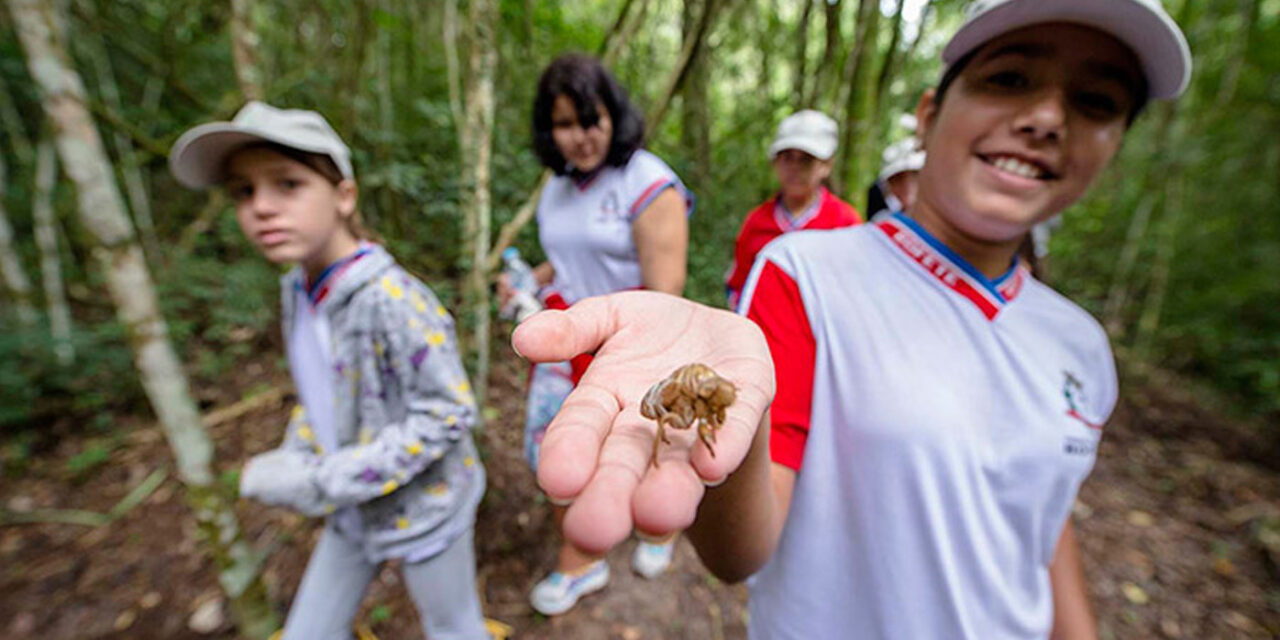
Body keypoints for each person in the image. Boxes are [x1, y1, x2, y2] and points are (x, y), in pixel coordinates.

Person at [509, 0, 1191, 637]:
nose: (1047, 117)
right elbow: (740, 547)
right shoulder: (805, 271)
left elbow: (1043, 512)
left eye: (1096, 101)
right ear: (928, 115)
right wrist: (733, 429)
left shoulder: (1085, 346)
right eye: (1010, 79)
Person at [169, 102, 491, 640]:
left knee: (453, 628)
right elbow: (325, 391)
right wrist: (299, 450)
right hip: (352, 510)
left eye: (287, 184)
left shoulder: (392, 299)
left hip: (426, 509)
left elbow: (450, 411)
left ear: (344, 195)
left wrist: (319, 480)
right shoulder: (297, 288)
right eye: (243, 192)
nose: (261, 208)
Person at [499, 53, 694, 616]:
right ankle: (583, 556)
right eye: (564, 123)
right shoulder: (557, 189)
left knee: (638, 447)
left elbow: (665, 292)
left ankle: (659, 530)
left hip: (627, 342)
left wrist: (626, 355)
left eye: (591, 119)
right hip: (564, 343)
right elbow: (563, 261)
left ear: (613, 116)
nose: (580, 136)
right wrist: (524, 284)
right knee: (552, 452)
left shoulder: (646, 182)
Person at [724, 110, 860, 310]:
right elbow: (738, 285)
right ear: (776, 162)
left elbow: (855, 291)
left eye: (806, 159)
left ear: (826, 166)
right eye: (787, 158)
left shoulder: (844, 222)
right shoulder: (757, 221)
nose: (795, 168)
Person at [865, 136, 927, 221]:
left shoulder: (942, 225)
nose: (906, 186)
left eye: (915, 177)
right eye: (896, 179)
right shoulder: (882, 220)